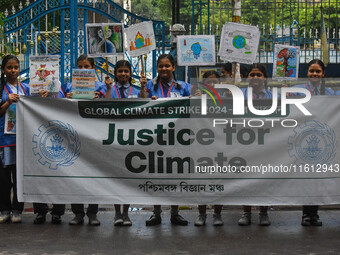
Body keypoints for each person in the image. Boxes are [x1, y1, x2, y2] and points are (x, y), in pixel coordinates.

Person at [33, 55, 105, 226]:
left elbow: (107, 106)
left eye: (87, 66)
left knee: (93, 176)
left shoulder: (101, 86)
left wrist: (99, 99)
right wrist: (67, 98)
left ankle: (92, 213)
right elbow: (57, 108)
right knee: (75, 176)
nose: (83, 69)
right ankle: (78, 213)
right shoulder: (66, 87)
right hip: (73, 138)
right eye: (80, 66)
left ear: (93, 68)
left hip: (93, 136)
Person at [144, 54, 191, 226]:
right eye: (160, 66)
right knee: (155, 176)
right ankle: (155, 213)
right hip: (154, 137)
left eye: (167, 66)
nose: (164, 69)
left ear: (173, 67)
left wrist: (196, 96)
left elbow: (194, 105)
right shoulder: (150, 85)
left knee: (174, 176)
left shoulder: (184, 87)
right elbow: (142, 103)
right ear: (157, 68)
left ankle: (174, 213)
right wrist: (149, 99)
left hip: (177, 138)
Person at [103, 60, 147, 226]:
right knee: (115, 177)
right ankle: (117, 213)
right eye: (120, 71)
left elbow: (145, 105)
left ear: (130, 73)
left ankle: (126, 213)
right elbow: (104, 107)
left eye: (126, 71)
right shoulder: (110, 90)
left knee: (128, 177)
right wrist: (107, 89)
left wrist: (143, 88)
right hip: (113, 139)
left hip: (131, 139)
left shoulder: (137, 90)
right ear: (115, 73)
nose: (123, 74)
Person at [293, 59, 334, 226]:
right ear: (307, 73)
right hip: (302, 139)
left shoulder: (331, 93)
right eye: (311, 71)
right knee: (306, 178)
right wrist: (284, 93)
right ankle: (305, 214)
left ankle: (314, 214)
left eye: (318, 71)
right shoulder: (297, 91)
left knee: (318, 179)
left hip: (323, 141)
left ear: (323, 73)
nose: (315, 74)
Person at [238, 63, 272, 226]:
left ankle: (263, 213)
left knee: (264, 180)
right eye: (252, 75)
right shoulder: (239, 95)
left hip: (266, 145)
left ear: (264, 78)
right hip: (244, 144)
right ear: (247, 78)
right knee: (246, 180)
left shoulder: (274, 97)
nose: (256, 78)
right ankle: (246, 212)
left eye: (259, 75)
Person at [0, 55, 29, 224]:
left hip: (22, 139)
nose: (13, 71)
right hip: (4, 140)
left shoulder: (25, 88)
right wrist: (6, 103)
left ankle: (17, 209)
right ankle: (4, 209)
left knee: (19, 176)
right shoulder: (1, 89)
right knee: (4, 177)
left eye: (16, 67)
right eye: (9, 68)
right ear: (3, 70)